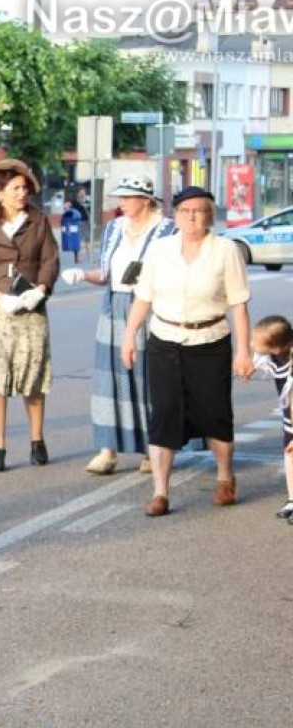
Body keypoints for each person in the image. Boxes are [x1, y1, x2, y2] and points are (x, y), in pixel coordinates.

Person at [122, 186, 254, 516]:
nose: (192, 216)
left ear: (210, 215)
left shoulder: (225, 250)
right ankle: (160, 492)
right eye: (185, 211)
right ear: (176, 215)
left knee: (215, 412)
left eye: (200, 210)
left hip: (210, 340)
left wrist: (244, 351)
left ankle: (225, 477)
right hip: (164, 339)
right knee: (163, 413)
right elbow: (144, 297)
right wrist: (129, 336)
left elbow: (238, 304)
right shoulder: (161, 249)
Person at [59, 176, 176, 475]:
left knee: (146, 379)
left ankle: (153, 447)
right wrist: (83, 275)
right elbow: (106, 273)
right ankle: (107, 449)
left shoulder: (167, 230)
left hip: (151, 310)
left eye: (126, 197)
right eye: (119, 197)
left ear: (145, 200)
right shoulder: (114, 229)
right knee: (109, 379)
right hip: (113, 310)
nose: (120, 203)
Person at [0, 158, 60, 473]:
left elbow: (50, 259)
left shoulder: (38, 221)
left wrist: (41, 288)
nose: (22, 194)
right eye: (15, 188)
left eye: (25, 188)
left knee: (31, 379)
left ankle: (37, 439)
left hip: (31, 309)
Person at [251, 316, 293, 521]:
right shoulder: (274, 358)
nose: (252, 345)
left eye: (256, 342)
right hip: (290, 417)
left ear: (276, 348)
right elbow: (256, 362)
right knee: (289, 455)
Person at [59, 199, 82, 264]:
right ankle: (77, 259)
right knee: (75, 245)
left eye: (66, 204)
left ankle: (78, 259)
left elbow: (77, 217)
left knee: (76, 245)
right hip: (70, 232)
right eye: (64, 204)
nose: (64, 205)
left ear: (69, 204)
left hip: (74, 231)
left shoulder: (74, 212)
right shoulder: (67, 213)